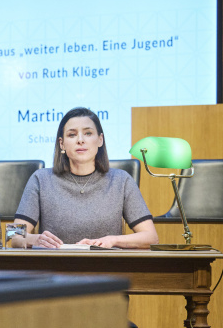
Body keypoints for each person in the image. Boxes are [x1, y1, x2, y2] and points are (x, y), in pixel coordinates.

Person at [14, 107, 159, 249]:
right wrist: (35, 239)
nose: (80, 140)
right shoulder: (41, 179)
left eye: (88, 133)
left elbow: (151, 237)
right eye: (72, 135)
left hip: (108, 268)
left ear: (100, 140)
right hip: (55, 269)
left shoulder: (121, 180)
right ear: (62, 143)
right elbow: (13, 236)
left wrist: (113, 240)